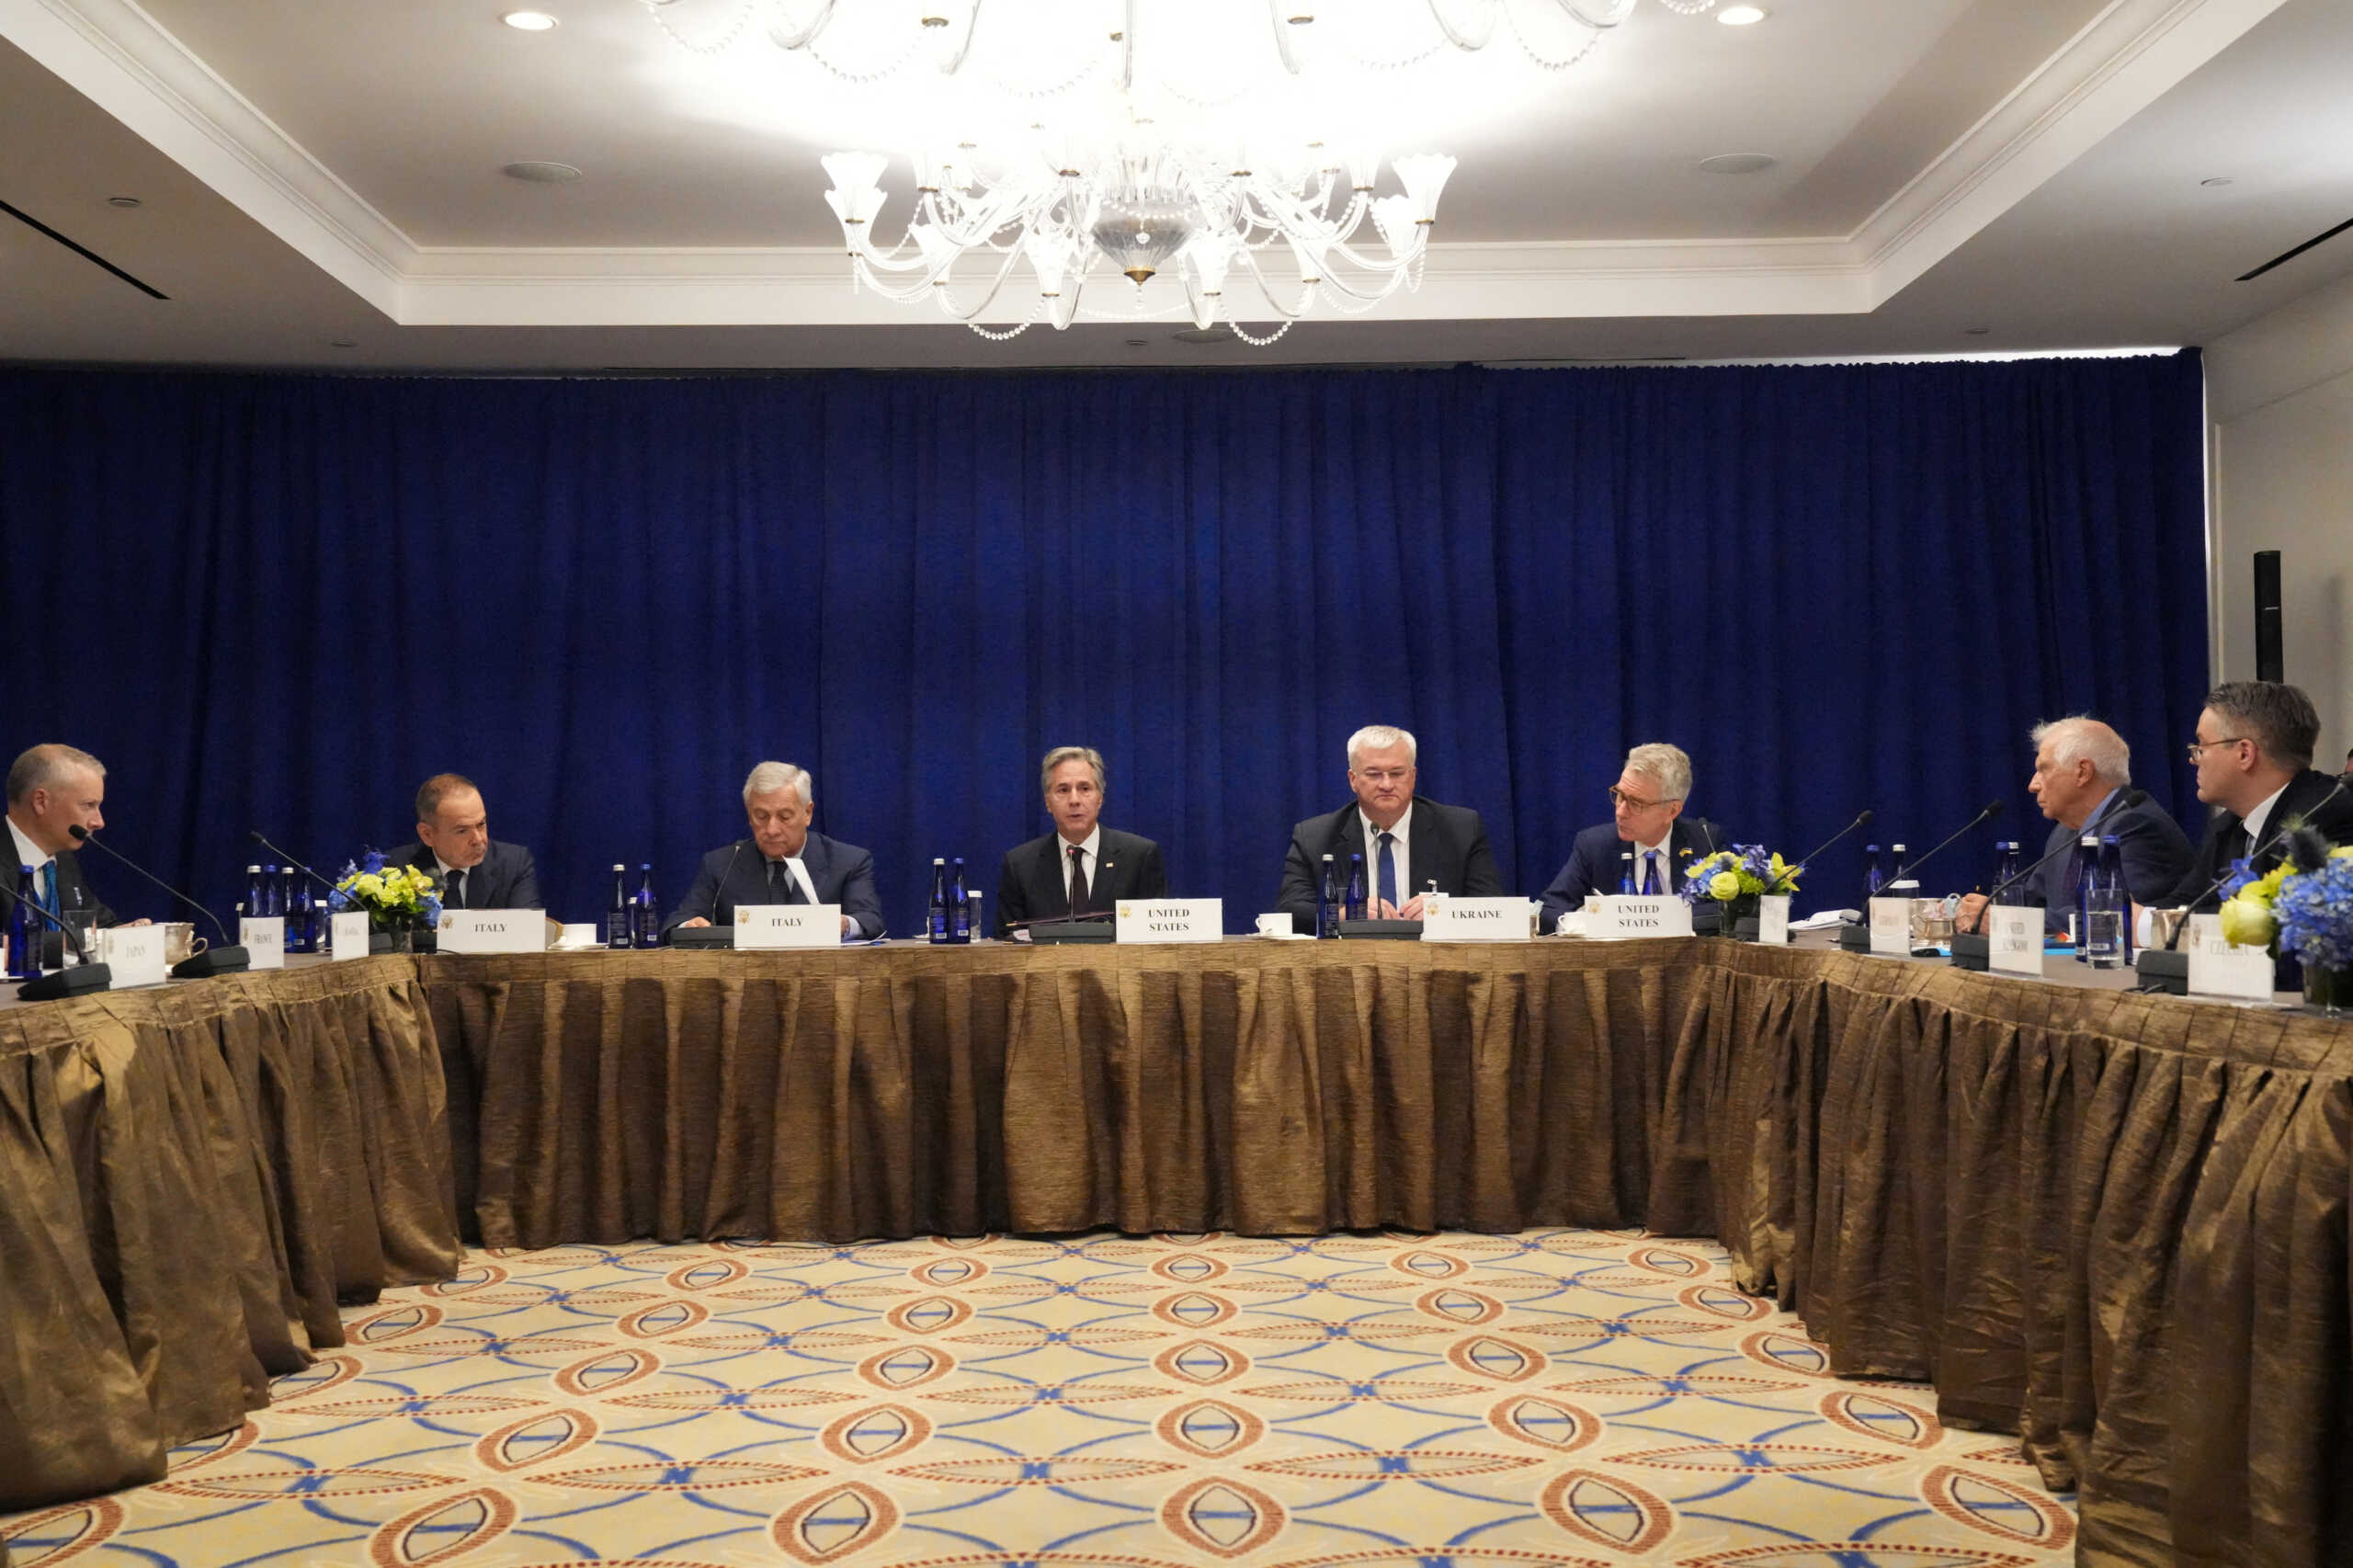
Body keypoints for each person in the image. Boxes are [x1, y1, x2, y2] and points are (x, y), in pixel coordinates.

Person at [1956, 717, 2191, 936]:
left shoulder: (2137, 826)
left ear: (2082, 772)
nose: (2032, 785)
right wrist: (1976, 912)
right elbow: (2032, 902)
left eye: (2043, 769)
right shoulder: (2065, 832)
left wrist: (2007, 920)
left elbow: (2113, 916)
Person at [1277, 724, 1503, 932]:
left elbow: (1495, 909)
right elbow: (1289, 912)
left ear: (1412, 776)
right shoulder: (1315, 837)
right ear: (1352, 779)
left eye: (1396, 773)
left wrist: (1444, 913)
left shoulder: (1461, 829)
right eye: (1374, 774)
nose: (1386, 785)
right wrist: (1345, 915)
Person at [2167, 680, 2353, 909]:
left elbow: (2282, 921)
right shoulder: (2226, 827)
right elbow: (2183, 905)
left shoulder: (2324, 818)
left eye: (2201, 747)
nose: (2193, 759)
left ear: (2244, 753)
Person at [667, 761, 883, 939]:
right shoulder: (721, 864)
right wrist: (690, 927)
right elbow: (674, 925)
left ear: (808, 813)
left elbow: (870, 921)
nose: (771, 829)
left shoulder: (848, 862)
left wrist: (844, 924)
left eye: (784, 817)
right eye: (761, 817)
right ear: (748, 815)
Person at [1537, 743, 1725, 926]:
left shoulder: (1705, 841)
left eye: (1636, 804)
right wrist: (1593, 921)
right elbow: (1550, 910)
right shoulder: (1595, 845)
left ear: (1672, 811)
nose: (1620, 811)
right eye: (1619, 795)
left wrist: (1661, 921)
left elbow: (1727, 911)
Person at [996, 746, 1168, 937]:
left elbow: (1156, 938)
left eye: (1085, 788)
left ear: (1100, 798)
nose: (1074, 800)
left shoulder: (1140, 857)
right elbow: (1007, 943)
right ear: (1048, 802)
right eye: (1063, 790)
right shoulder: (1020, 866)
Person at [5, 744, 141, 962]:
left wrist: (132, 936)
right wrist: (65, 945)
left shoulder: (62, 861)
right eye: (88, 805)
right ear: (41, 802)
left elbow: (100, 926)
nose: (99, 822)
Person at [390, 773, 543, 911]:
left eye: (481, 824)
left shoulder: (513, 865)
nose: (478, 839)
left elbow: (526, 935)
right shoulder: (396, 871)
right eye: (462, 831)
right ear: (427, 834)